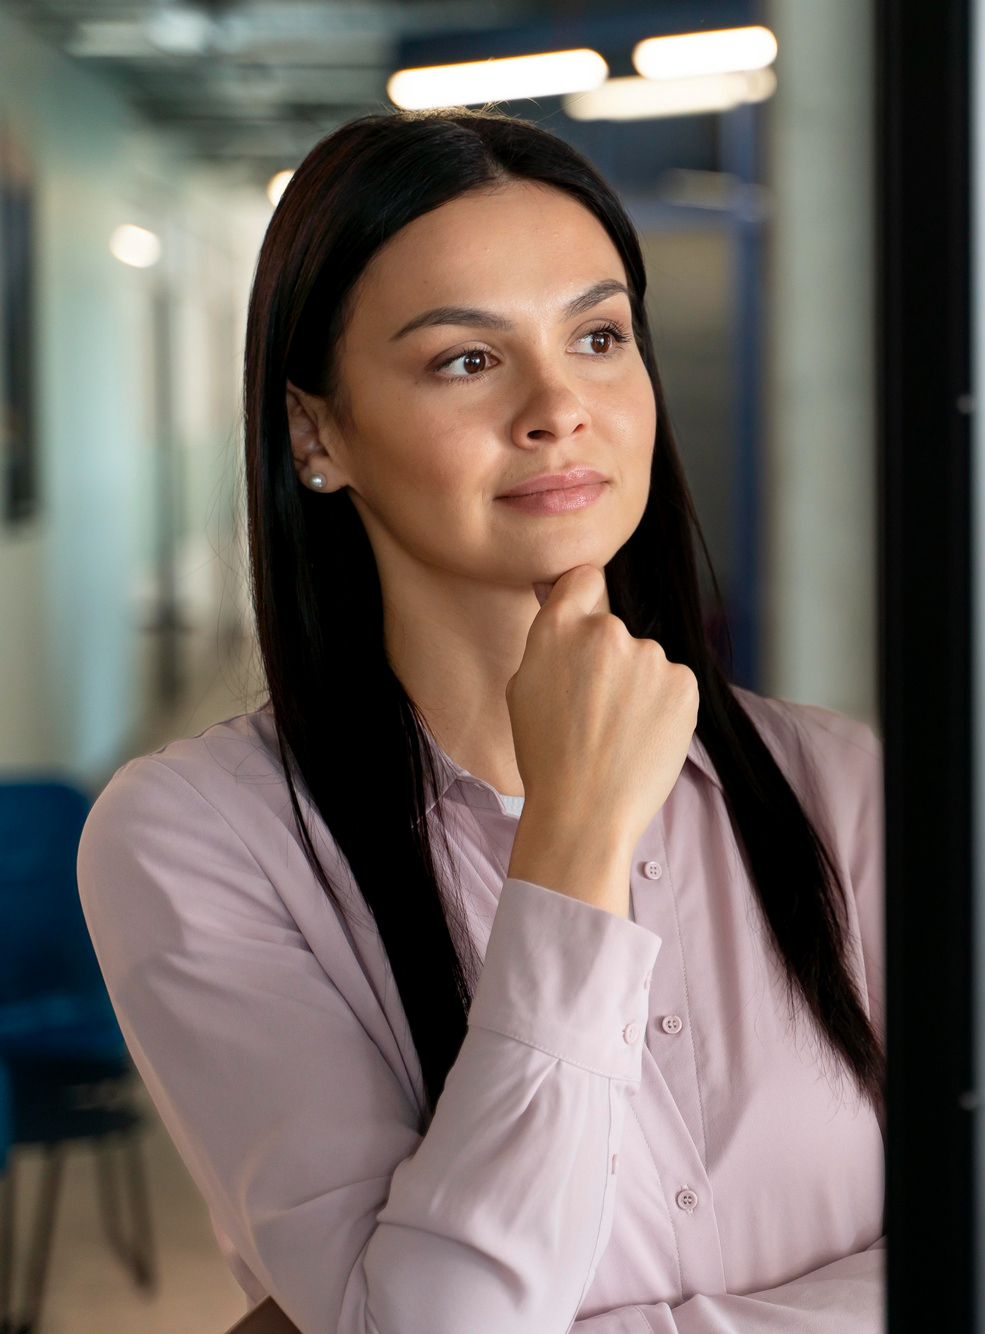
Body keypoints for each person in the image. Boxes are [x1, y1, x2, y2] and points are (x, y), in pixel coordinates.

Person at [76, 111, 885, 1332]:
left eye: (599, 336)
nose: (559, 406)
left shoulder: (836, 785)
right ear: (316, 433)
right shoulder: (197, 841)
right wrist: (573, 836)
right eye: (466, 358)